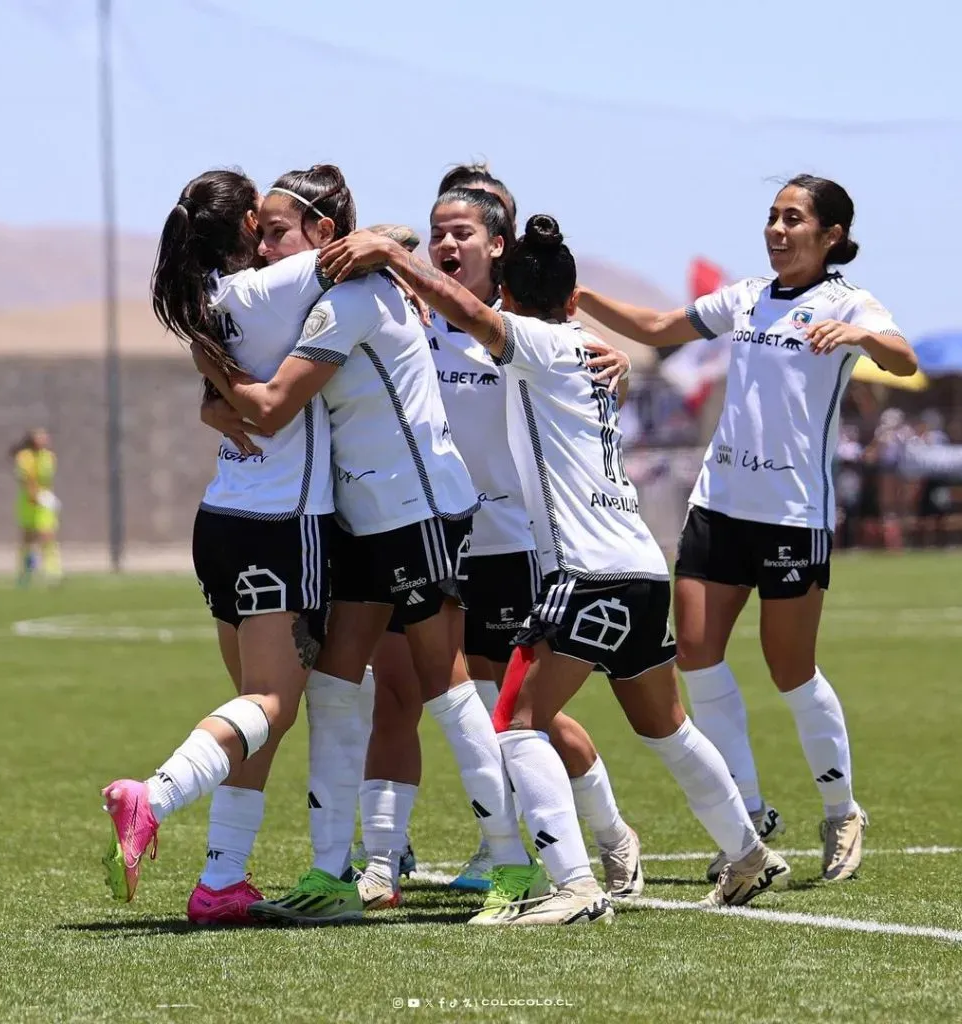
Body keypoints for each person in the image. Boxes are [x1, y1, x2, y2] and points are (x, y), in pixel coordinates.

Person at [320, 214, 792, 924]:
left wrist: (391, 254)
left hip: (587, 571)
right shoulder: (590, 352)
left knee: (512, 723)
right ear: (574, 302)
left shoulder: (532, 343)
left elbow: (473, 314)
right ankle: (748, 853)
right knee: (665, 725)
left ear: (510, 295)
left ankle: (573, 885)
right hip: (640, 564)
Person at [197, 170, 545, 925]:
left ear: (326, 233)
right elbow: (231, 397)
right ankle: (331, 875)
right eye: (258, 231)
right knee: (332, 684)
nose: (262, 244)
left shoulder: (352, 297)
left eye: (277, 228)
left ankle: (512, 866)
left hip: (416, 511)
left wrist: (207, 358)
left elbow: (269, 408)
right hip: (361, 515)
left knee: (446, 689)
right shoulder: (314, 297)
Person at [574, 174, 918, 884]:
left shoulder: (850, 301)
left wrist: (859, 335)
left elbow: (902, 357)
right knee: (696, 655)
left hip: (793, 514)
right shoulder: (747, 296)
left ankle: (842, 810)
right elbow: (661, 328)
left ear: (832, 237)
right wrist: (578, 297)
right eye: (772, 216)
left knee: (790, 671)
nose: (777, 228)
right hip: (719, 505)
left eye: (794, 219)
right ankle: (749, 814)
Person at [360, 186, 644, 904]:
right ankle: (398, 856)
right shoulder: (414, 312)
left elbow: (584, 384)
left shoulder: (523, 329)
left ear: (500, 248)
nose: (446, 245)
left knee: (516, 707)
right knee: (411, 695)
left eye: (462, 233)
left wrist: (621, 370)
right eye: (436, 235)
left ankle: (610, 835)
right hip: (431, 533)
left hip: (507, 541)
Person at [101, 168, 336, 924]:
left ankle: (221, 882)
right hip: (279, 523)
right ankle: (152, 798)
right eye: (261, 222)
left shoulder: (204, 303)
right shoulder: (273, 288)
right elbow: (376, 246)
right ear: (245, 231)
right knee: (273, 702)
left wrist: (217, 387)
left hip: (223, 517)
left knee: (252, 712)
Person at [10, 429, 61, 584]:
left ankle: (52, 571)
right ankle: (26, 572)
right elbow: (26, 479)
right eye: (40, 437)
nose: (44, 439)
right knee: (28, 538)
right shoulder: (24, 457)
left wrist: (46, 498)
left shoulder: (49, 457)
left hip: (43, 503)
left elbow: (47, 479)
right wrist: (35, 495)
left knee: (48, 534)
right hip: (28, 502)